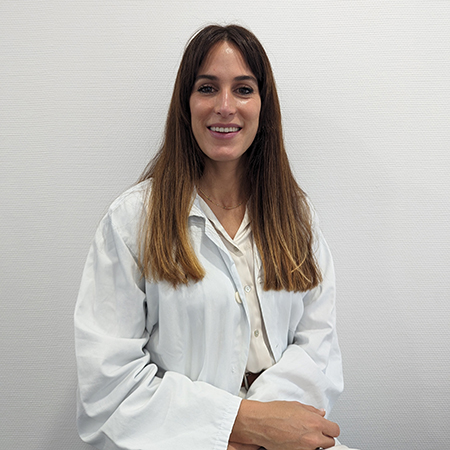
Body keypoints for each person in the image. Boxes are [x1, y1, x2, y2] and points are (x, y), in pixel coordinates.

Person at [74, 24, 359, 450]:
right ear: (186, 104)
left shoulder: (296, 217)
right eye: (207, 88)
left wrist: (270, 428)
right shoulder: (132, 221)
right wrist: (239, 424)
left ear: (263, 105)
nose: (225, 107)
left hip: (288, 437)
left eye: (243, 89)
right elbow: (107, 387)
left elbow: (319, 348)